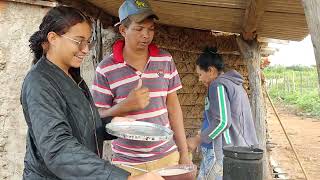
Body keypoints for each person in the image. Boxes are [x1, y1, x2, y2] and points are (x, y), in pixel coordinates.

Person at [21, 6, 163, 180]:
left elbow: (80, 125)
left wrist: (111, 124)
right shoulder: (39, 83)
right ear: (53, 38)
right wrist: (124, 178)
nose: (86, 49)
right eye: (78, 41)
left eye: (88, 41)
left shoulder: (72, 75)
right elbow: (58, 149)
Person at [92, 0, 191, 175]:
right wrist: (125, 106)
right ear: (123, 30)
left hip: (166, 157)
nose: (146, 35)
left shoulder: (165, 60)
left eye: (151, 28)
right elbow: (97, 116)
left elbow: (174, 108)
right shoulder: (106, 69)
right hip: (127, 164)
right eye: (139, 29)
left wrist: (183, 153)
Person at [187, 47, 258, 180]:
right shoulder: (235, 85)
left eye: (200, 74)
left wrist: (198, 139)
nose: (199, 79)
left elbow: (223, 122)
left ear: (211, 71)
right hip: (238, 149)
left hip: (223, 151)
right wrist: (203, 132)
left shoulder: (218, 85)